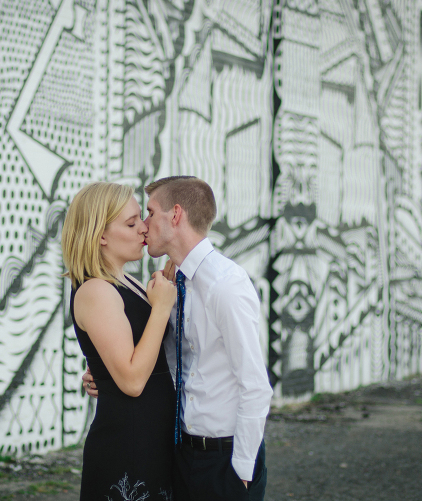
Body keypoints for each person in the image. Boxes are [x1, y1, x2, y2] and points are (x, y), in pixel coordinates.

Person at [84, 176, 273, 501]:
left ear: (175, 215)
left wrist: (241, 472)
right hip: (179, 455)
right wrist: (104, 374)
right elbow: (168, 360)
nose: (144, 225)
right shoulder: (170, 285)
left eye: (149, 213)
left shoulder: (225, 285)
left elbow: (255, 385)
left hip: (224, 461)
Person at [62, 182, 177, 500]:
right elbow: (132, 381)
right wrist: (161, 309)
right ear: (100, 234)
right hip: (128, 448)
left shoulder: (124, 281)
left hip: (148, 440)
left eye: (141, 218)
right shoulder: (96, 290)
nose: (144, 228)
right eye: (131, 223)